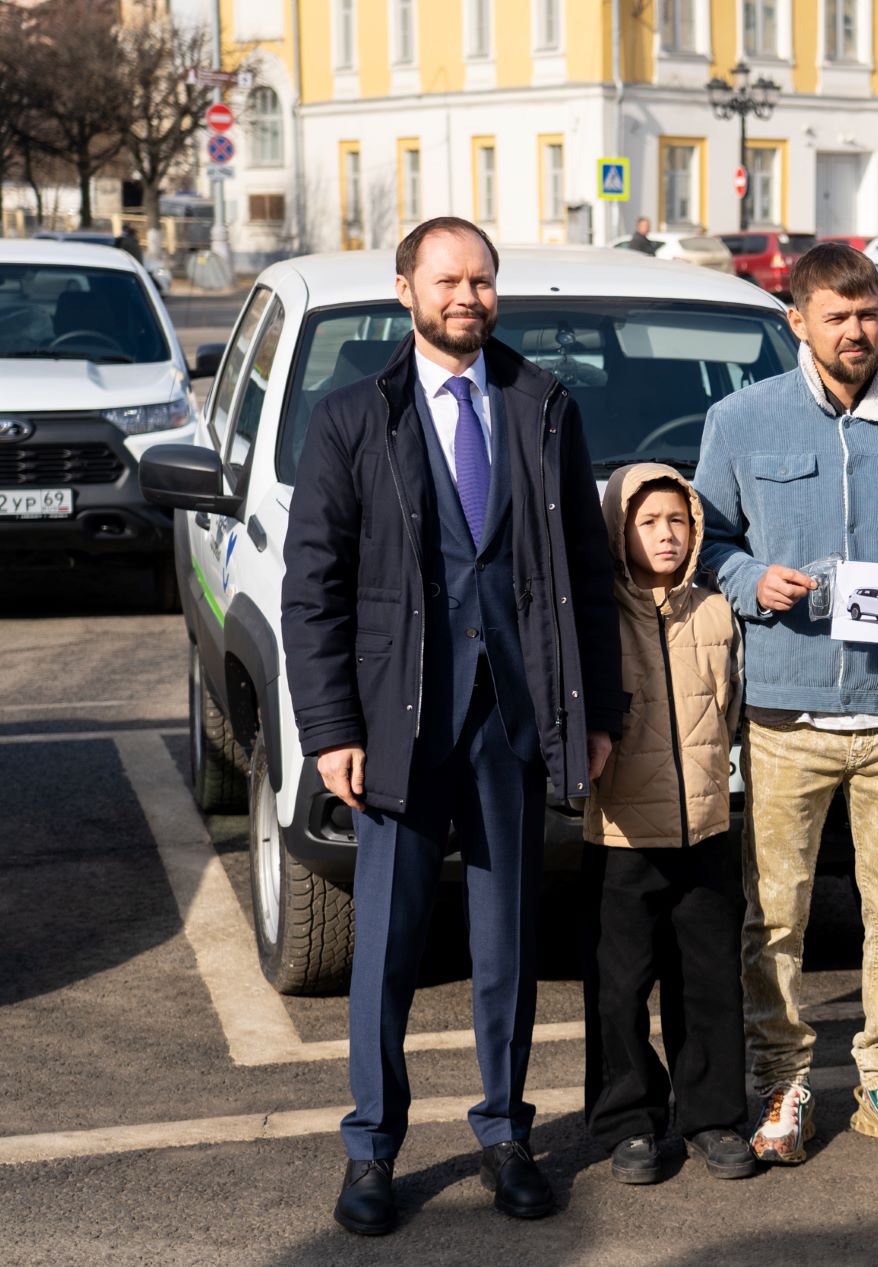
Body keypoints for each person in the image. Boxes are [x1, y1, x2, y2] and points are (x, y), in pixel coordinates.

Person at [283, 216, 625, 1235]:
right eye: (447, 281)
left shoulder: (542, 404)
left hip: (512, 720)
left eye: (481, 280)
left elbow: (587, 577)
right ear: (406, 292)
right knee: (386, 949)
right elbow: (314, 589)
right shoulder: (352, 417)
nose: (467, 296)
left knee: (505, 942)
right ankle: (371, 1148)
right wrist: (330, 728)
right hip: (397, 723)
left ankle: (506, 1134)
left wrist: (595, 710)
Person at [694, 242, 878, 1163]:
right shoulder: (742, 419)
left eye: (867, 314)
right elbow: (707, 540)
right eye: (836, 317)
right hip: (784, 715)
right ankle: (782, 1081)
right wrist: (750, 581)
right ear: (799, 321)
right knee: (775, 916)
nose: (856, 332)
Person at [580, 463, 754, 1186]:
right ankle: (629, 1120)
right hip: (622, 836)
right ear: (618, 532)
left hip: (706, 830)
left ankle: (712, 1114)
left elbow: (732, 703)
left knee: (709, 979)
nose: (666, 535)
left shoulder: (714, 611)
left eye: (678, 521)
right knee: (619, 988)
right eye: (647, 522)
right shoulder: (597, 617)